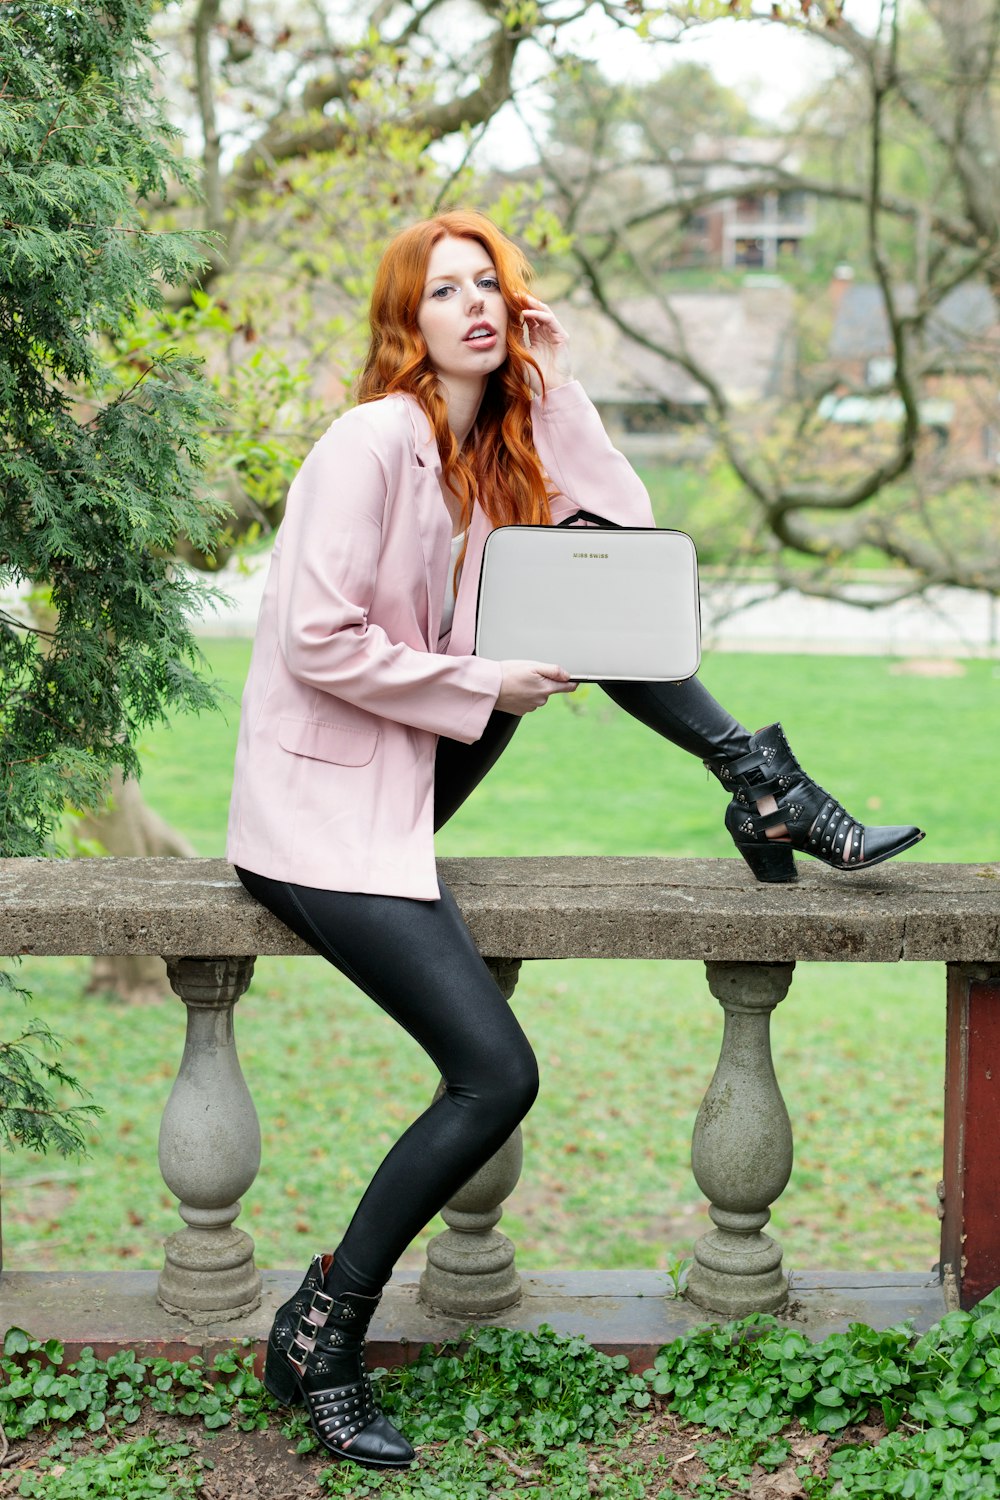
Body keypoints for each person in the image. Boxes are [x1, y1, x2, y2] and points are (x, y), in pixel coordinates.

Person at [226, 210, 923, 1470]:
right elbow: (313, 642)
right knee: (495, 1074)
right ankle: (319, 1326)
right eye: (445, 292)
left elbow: (625, 542)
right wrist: (477, 687)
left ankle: (759, 784)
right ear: (407, 321)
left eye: (488, 286)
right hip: (317, 813)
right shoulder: (370, 440)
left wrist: (553, 383)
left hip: (402, 770)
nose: (474, 306)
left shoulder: (490, 438)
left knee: (587, 590)